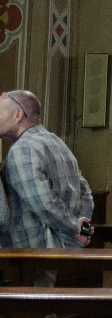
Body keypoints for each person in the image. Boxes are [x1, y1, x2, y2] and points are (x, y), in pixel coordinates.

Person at [0, 89, 93, 258]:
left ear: (18, 114)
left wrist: (76, 228)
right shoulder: (56, 142)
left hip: (34, 250)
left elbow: (44, 204)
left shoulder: (23, 148)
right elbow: (85, 191)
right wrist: (82, 227)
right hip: (65, 248)